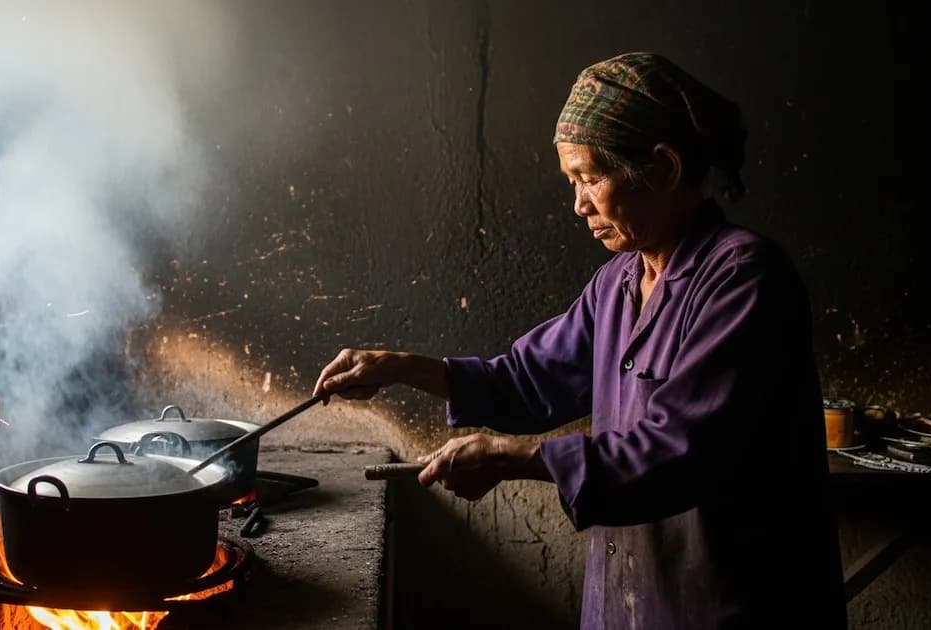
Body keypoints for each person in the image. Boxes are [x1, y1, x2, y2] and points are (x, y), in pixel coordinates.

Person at [313, 51, 846, 629]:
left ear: (665, 168)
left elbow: (679, 451)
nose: (578, 204)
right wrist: (398, 367)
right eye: (573, 182)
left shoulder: (745, 278)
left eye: (591, 178)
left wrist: (513, 456)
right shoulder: (619, 282)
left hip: (723, 607)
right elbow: (525, 383)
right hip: (626, 607)